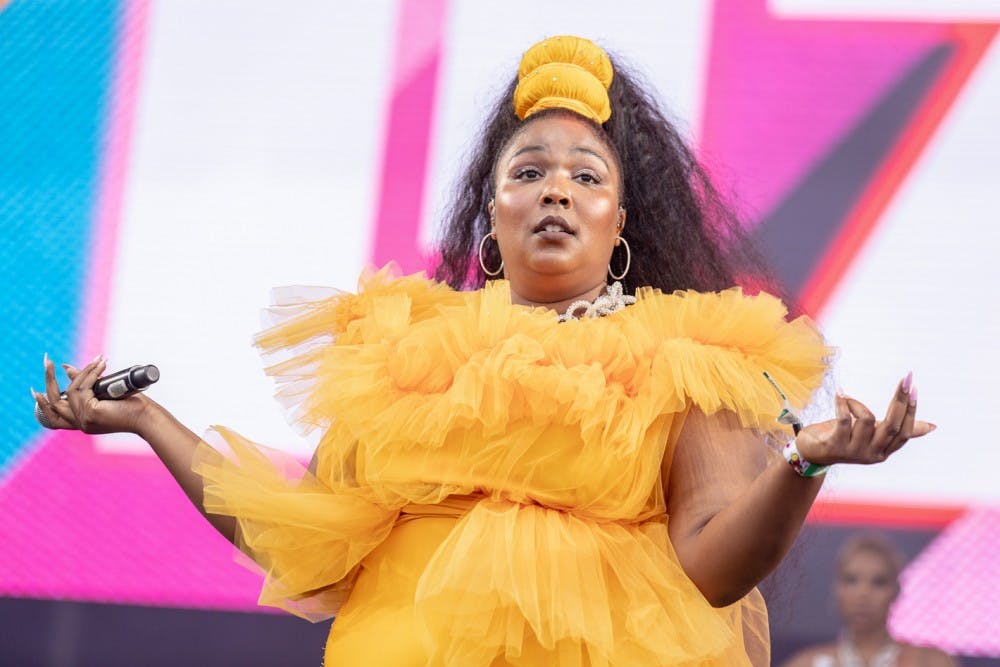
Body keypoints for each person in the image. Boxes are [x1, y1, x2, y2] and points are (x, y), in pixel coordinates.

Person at [33, 36, 935, 666]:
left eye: (587, 177)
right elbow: (299, 537)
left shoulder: (688, 350)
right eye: (528, 171)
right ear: (491, 214)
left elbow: (710, 566)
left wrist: (803, 465)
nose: (556, 191)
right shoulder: (407, 349)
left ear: (619, 223)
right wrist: (146, 420)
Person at [781, 533, 958, 667]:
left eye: (879, 582)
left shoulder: (931, 662)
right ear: (837, 590)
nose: (863, 593)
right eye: (851, 580)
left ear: (896, 591)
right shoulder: (805, 663)